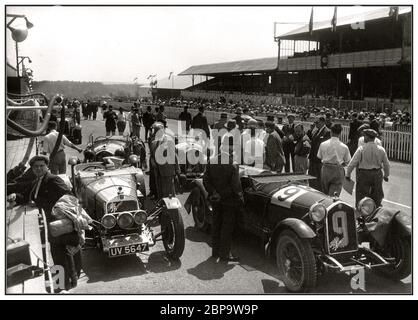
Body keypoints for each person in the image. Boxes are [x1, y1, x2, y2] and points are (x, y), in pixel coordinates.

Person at [7, 155, 82, 291]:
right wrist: (16, 197)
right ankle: (64, 284)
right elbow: (30, 195)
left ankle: (66, 285)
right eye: (36, 167)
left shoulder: (53, 180)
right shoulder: (38, 180)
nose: (39, 169)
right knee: (58, 254)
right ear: (32, 169)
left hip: (58, 223)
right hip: (52, 224)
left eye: (42, 166)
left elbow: (69, 197)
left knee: (61, 255)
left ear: (47, 167)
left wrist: (43, 203)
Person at [203, 136, 243, 262]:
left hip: (215, 200)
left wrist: (214, 192)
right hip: (228, 201)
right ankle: (225, 254)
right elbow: (235, 186)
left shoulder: (212, 161)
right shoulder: (233, 164)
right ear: (231, 150)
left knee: (216, 225)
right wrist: (240, 199)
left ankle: (215, 252)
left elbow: (206, 180)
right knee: (227, 228)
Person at [345, 129, 390, 207]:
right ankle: (375, 212)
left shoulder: (361, 149)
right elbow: (386, 164)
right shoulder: (381, 149)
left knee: (361, 195)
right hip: (377, 173)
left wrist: (348, 174)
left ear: (368, 137)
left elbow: (352, 163)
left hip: (364, 173)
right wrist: (386, 175)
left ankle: (361, 213)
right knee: (377, 195)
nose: (363, 137)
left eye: (365, 135)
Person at [317, 124, 351, 196]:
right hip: (337, 169)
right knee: (334, 195)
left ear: (331, 132)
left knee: (324, 193)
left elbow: (319, 156)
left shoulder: (323, 144)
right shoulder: (344, 147)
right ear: (340, 133)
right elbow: (347, 161)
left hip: (325, 168)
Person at [149, 122, 180, 199]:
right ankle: (162, 205)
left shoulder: (169, 140)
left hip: (167, 169)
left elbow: (174, 155)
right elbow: (152, 156)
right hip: (158, 170)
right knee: (161, 189)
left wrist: (177, 169)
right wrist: (153, 162)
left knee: (170, 191)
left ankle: (172, 208)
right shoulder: (153, 142)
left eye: (155, 130)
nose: (153, 132)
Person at [308, 116, 331, 191]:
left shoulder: (327, 132)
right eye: (315, 123)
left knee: (319, 181)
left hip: (319, 160)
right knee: (311, 179)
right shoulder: (316, 131)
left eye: (317, 122)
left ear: (322, 122)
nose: (316, 124)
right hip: (313, 159)